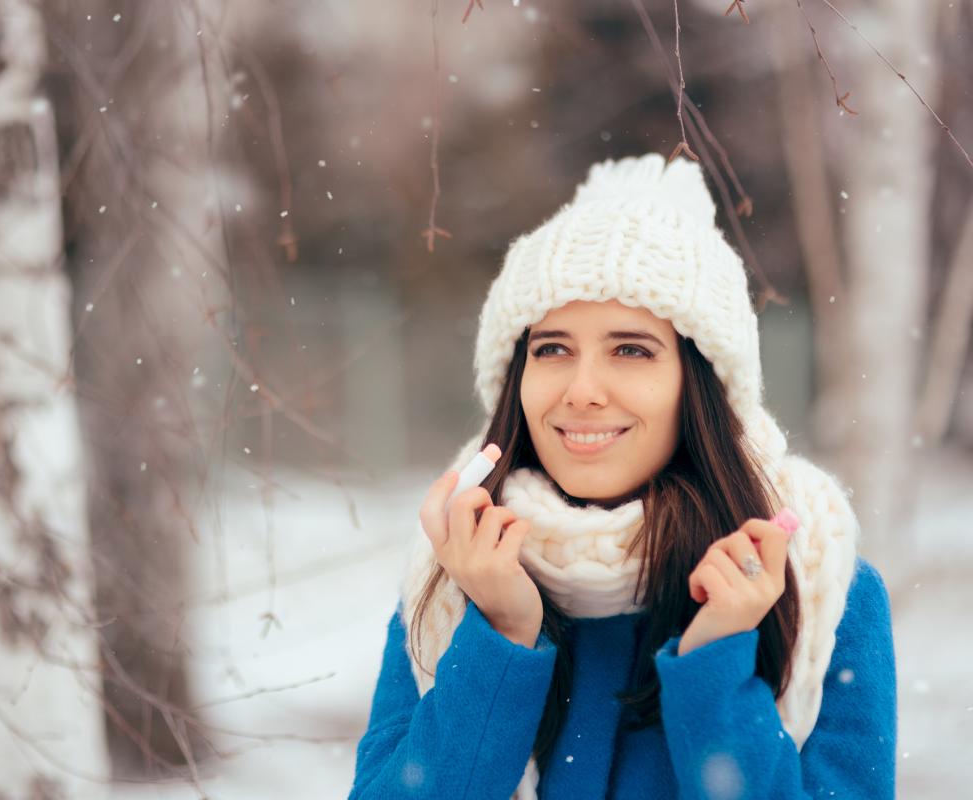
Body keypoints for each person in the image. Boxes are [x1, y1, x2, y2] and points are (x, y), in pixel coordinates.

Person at [348, 153, 897, 800]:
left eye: (631, 350)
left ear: (701, 385)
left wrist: (717, 661)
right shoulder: (452, 581)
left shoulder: (818, 587)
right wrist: (501, 632)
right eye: (552, 348)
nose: (582, 390)